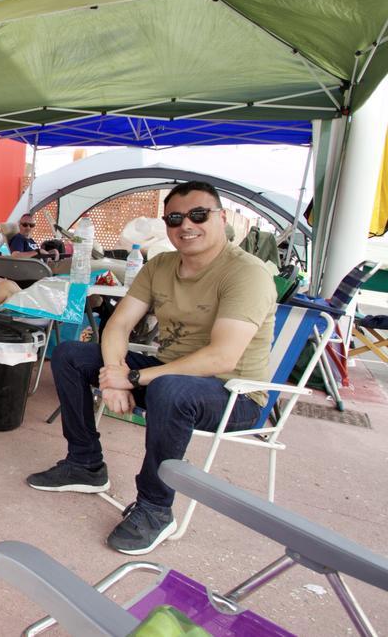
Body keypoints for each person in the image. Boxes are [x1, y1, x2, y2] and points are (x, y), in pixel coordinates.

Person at [26, 181, 276, 555]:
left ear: (222, 219)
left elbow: (222, 357)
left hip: (233, 394)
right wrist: (113, 374)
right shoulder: (160, 265)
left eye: (198, 215)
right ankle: (85, 464)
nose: (186, 225)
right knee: (70, 355)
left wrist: (133, 378)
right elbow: (119, 325)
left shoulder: (245, 273)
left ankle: (156, 508)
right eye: (175, 218)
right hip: (168, 374)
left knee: (168, 388)